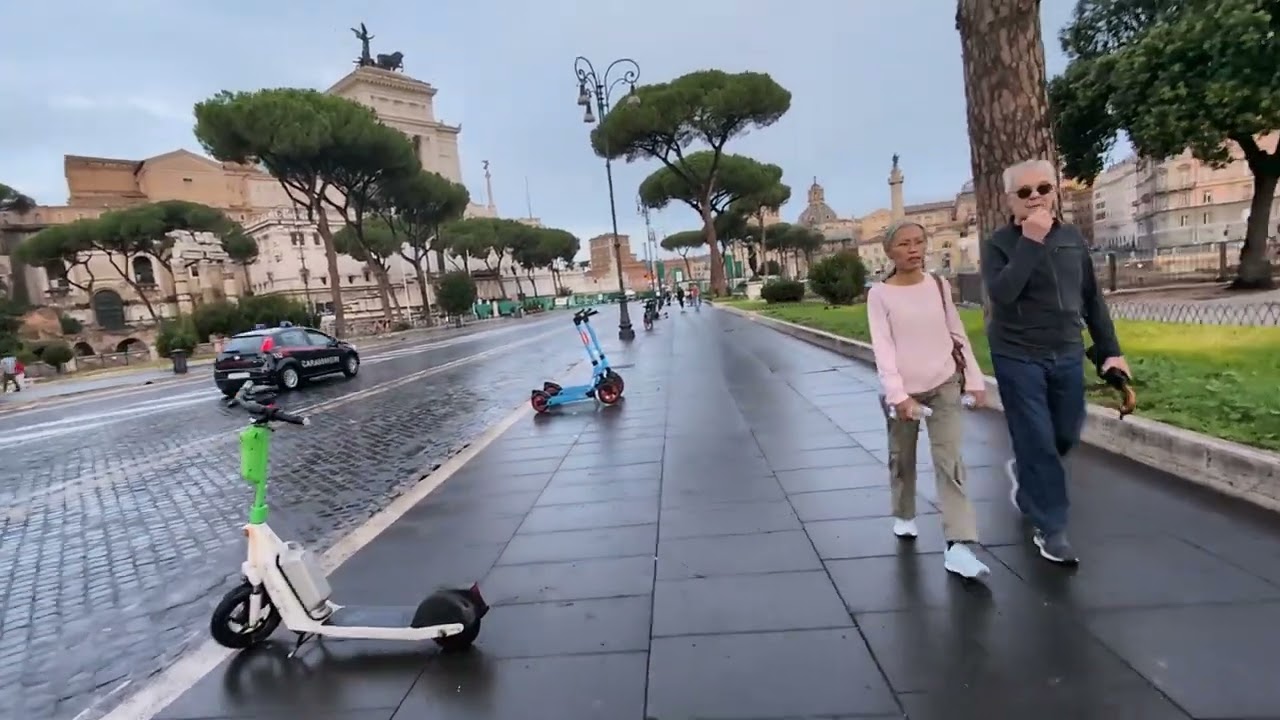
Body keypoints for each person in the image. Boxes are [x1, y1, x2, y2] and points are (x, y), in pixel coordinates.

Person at [980, 158, 1128, 566]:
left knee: (1065, 432)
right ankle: (1052, 529)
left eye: (1043, 189)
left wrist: (1109, 349)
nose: (1035, 198)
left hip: (1065, 350)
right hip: (1016, 354)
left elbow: (1091, 297)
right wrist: (1030, 241)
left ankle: (1027, 477)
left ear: (1055, 192)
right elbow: (1003, 294)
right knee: (1037, 439)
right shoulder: (998, 244)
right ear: (1010, 199)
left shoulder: (1071, 238)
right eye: (1024, 192)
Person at [867, 220, 990, 580]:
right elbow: (882, 347)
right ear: (889, 251)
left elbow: (957, 333)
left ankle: (959, 545)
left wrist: (974, 379)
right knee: (902, 457)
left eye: (919, 242)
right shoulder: (880, 295)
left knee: (950, 460)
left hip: (945, 382)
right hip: (904, 390)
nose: (914, 249)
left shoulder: (938, 285)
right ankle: (904, 512)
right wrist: (898, 395)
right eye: (904, 244)